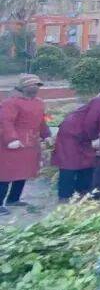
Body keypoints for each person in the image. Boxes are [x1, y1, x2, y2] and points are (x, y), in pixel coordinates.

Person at [0, 74, 50, 215]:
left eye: (37, 85)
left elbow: (42, 121)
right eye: (32, 84)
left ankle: (14, 199)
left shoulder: (39, 102)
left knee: (24, 172)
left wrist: (46, 135)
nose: (35, 87)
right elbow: (5, 121)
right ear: (23, 87)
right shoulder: (11, 102)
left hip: (31, 144)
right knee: (5, 174)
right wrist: (11, 139)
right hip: (12, 144)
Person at [53, 91, 100, 201]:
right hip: (72, 132)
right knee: (69, 164)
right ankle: (65, 195)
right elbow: (91, 120)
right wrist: (94, 137)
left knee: (87, 163)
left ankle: (82, 191)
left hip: (84, 134)